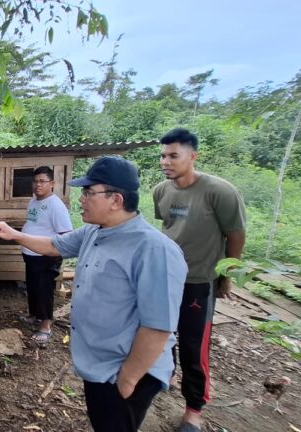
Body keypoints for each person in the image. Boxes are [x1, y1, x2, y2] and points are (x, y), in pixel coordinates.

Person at [0, 156, 187, 432]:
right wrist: (15, 235)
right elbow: (55, 245)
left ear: (116, 200)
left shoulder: (154, 250)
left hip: (124, 369)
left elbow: (158, 326)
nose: (81, 199)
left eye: (89, 192)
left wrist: (128, 378)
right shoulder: (94, 231)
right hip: (99, 363)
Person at [153, 128, 246, 432]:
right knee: (162, 331)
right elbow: (170, 229)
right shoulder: (161, 191)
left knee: (194, 346)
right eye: (162, 156)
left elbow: (235, 235)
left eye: (173, 156)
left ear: (193, 156)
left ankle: (194, 409)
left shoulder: (219, 191)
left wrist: (226, 275)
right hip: (166, 277)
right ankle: (166, 375)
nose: (165, 162)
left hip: (199, 281)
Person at [19, 166, 73, 346]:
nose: (38, 185)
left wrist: (54, 254)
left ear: (52, 183)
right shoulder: (34, 200)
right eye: (35, 181)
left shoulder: (56, 205)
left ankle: (45, 326)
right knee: (33, 288)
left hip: (46, 256)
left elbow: (65, 234)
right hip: (31, 255)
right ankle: (34, 315)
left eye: (42, 181)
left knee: (44, 291)